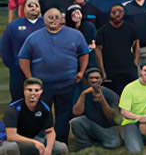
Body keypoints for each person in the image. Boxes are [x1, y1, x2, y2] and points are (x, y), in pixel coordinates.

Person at [18, 8, 91, 144]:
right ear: (44, 19)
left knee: (64, 115)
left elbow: (84, 53)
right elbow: (23, 58)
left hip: (67, 84)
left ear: (62, 19)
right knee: (41, 114)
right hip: (43, 85)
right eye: (50, 17)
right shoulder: (34, 37)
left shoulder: (75, 35)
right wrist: (30, 77)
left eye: (56, 17)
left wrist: (81, 71)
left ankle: (60, 142)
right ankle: (40, 142)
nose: (53, 20)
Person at [3, 77, 68, 155]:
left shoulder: (45, 108)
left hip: (36, 138)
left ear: (41, 92)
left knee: (61, 147)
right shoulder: (14, 108)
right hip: (13, 140)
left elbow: (50, 131)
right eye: (29, 90)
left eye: (36, 90)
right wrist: (35, 142)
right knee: (11, 148)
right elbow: (11, 136)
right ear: (24, 91)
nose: (33, 94)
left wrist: (48, 149)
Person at [2, 0, 44, 102]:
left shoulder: (46, 24)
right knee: (18, 97)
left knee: (41, 99)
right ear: (24, 9)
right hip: (18, 69)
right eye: (30, 5)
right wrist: (12, 64)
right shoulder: (14, 25)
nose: (33, 8)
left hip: (41, 68)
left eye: (36, 5)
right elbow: (5, 46)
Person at [69, 68, 121, 151]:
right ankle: (84, 144)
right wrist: (83, 95)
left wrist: (102, 101)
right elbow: (76, 112)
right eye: (91, 78)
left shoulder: (110, 94)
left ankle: (97, 142)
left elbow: (112, 117)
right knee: (76, 121)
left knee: (113, 144)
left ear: (101, 79)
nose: (94, 80)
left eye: (97, 78)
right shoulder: (81, 92)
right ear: (86, 80)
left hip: (108, 128)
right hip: (91, 123)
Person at [94, 4, 139, 95]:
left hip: (128, 69)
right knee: (114, 96)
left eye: (120, 12)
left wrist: (135, 62)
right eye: (114, 12)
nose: (117, 14)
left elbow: (136, 45)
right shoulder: (102, 31)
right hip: (111, 70)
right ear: (109, 14)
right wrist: (102, 71)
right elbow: (98, 51)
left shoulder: (130, 28)